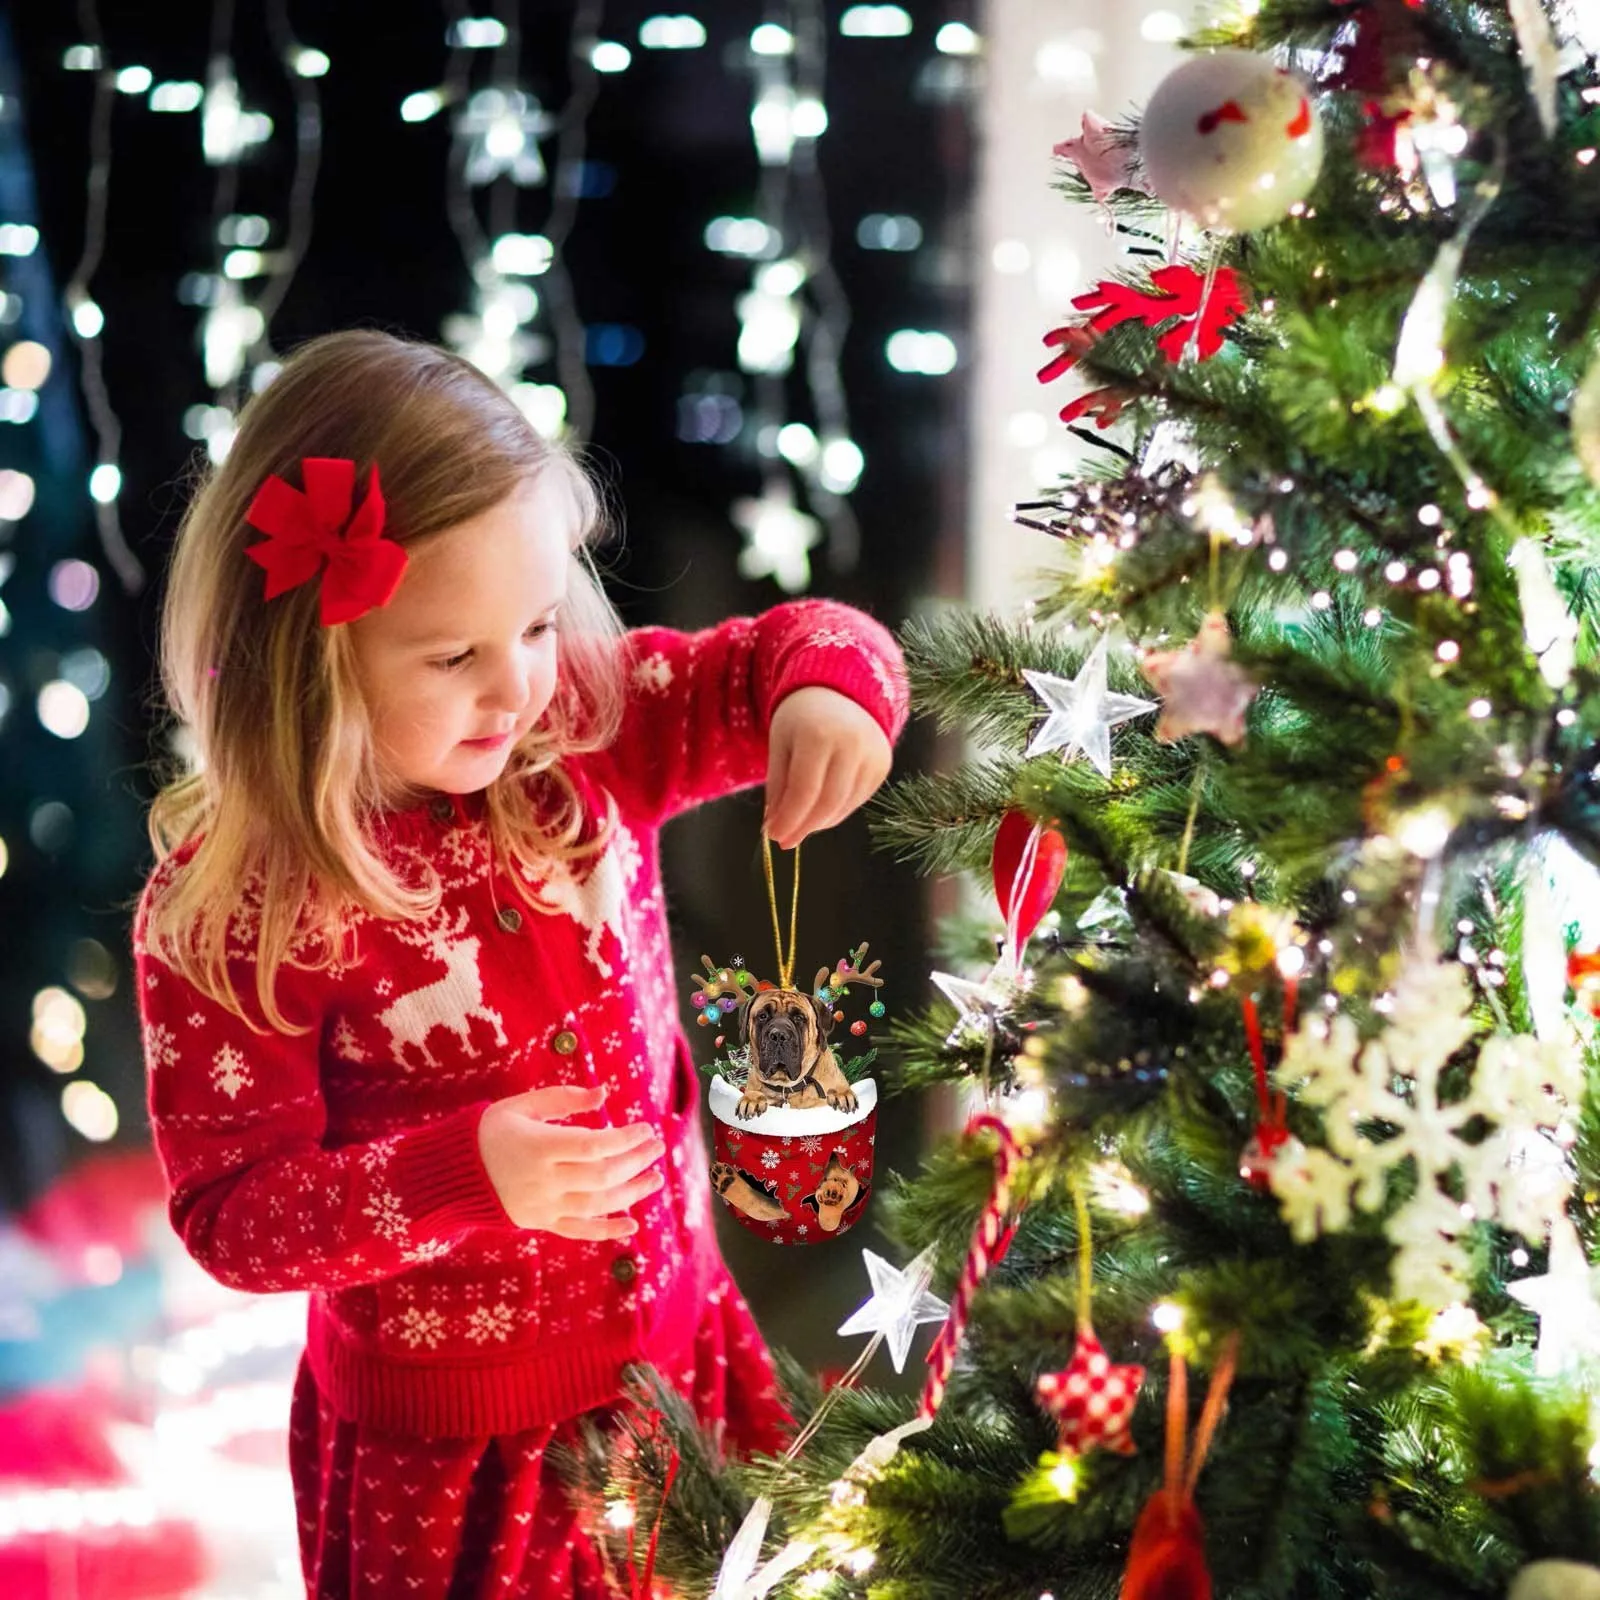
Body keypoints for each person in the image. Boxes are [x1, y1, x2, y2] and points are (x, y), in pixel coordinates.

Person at [133, 330, 909, 1598]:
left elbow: (794, 644)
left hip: (675, 1358)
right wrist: (463, 1175)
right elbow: (234, 1219)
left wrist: (826, 690)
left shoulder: (585, 733)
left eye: (540, 622)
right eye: (453, 657)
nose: (516, 688)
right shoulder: (239, 907)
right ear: (309, 662)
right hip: (450, 1460)